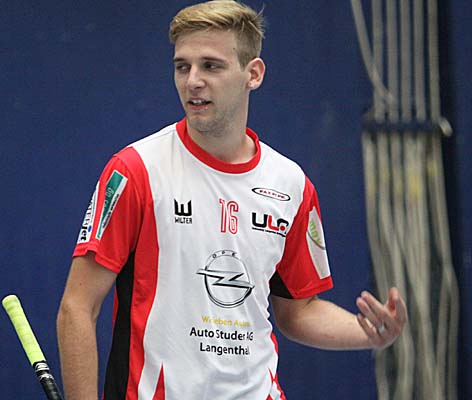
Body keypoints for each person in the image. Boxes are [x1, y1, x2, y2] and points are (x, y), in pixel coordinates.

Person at [57, 1, 408, 399]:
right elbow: (77, 307)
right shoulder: (134, 170)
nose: (193, 81)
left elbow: (298, 311)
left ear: (253, 74)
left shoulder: (291, 184)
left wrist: (367, 334)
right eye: (182, 66)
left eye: (211, 66)